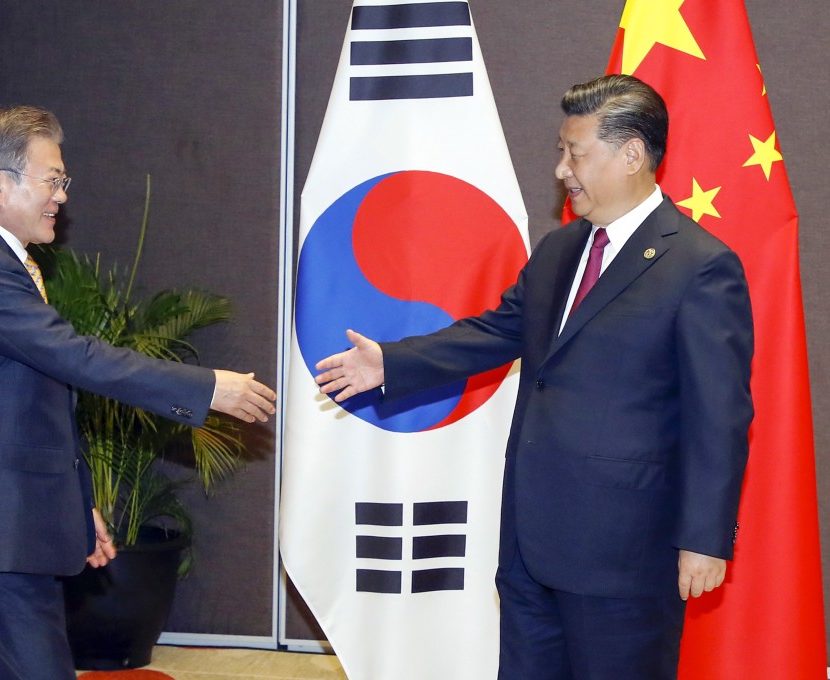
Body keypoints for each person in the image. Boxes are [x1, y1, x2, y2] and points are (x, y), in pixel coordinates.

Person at [314, 75, 753, 680]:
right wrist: (394, 362)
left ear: (630, 155)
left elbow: (719, 417)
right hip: (529, 544)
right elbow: (496, 332)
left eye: (575, 152)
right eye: (561, 150)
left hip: (623, 553)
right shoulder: (559, 249)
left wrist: (705, 537)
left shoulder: (701, 266)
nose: (561, 170)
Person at [0, 105, 277, 680]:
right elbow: (76, 357)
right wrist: (206, 389)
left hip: (7, 530)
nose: (61, 196)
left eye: (63, 182)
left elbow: (36, 400)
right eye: (52, 180)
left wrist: (76, 506)